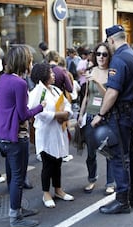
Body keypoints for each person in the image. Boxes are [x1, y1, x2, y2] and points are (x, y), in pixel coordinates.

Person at [91, 25, 133, 214]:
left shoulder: (120, 59)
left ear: (111, 40)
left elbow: (112, 92)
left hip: (121, 115)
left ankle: (122, 202)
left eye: (108, 43)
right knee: (131, 155)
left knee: (120, 159)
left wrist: (100, 114)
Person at [0, 45, 44, 227]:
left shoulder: (4, 79)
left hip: (4, 135)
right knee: (18, 178)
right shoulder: (20, 83)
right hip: (17, 136)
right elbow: (24, 114)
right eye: (30, 60)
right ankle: (15, 217)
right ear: (24, 62)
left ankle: (17, 210)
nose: (32, 63)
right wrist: (41, 106)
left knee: (12, 177)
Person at [30, 63, 75, 209]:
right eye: (51, 73)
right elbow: (37, 112)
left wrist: (67, 113)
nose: (54, 75)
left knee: (58, 162)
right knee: (48, 164)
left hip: (59, 131)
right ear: (43, 75)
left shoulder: (55, 89)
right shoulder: (38, 92)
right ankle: (46, 193)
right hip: (46, 133)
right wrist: (57, 115)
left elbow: (66, 104)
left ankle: (58, 190)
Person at [77, 42, 116, 195]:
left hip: (105, 117)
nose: (101, 57)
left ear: (109, 56)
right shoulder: (91, 70)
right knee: (91, 153)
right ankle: (91, 179)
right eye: (98, 54)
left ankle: (110, 183)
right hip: (90, 117)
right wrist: (81, 114)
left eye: (104, 54)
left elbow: (109, 95)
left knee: (107, 152)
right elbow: (86, 96)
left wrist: (97, 81)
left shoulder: (112, 73)